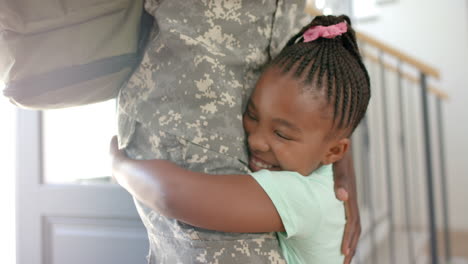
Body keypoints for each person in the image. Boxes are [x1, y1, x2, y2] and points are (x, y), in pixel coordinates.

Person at [112, 14, 369, 264]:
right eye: (253, 114)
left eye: (281, 134)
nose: (256, 140)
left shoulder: (301, 195)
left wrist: (120, 167)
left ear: (334, 152)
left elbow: (170, 195)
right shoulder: (318, 178)